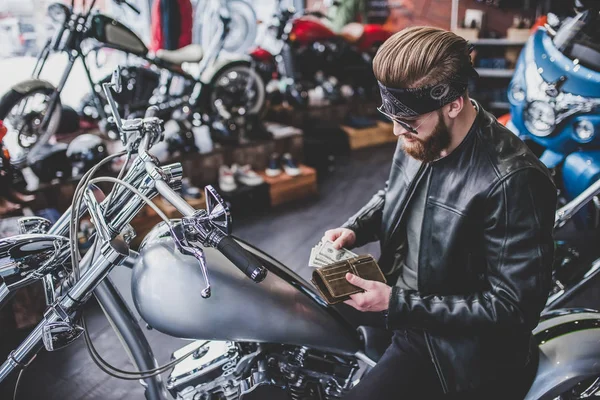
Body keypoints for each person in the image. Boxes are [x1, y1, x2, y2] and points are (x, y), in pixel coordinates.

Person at [322, 26, 557, 399]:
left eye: (409, 122)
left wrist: (395, 302)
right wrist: (355, 228)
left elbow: (513, 309)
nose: (397, 131)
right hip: (399, 297)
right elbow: (394, 193)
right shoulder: (420, 133)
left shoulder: (514, 179)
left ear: (453, 104)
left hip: (454, 348)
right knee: (299, 324)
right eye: (393, 117)